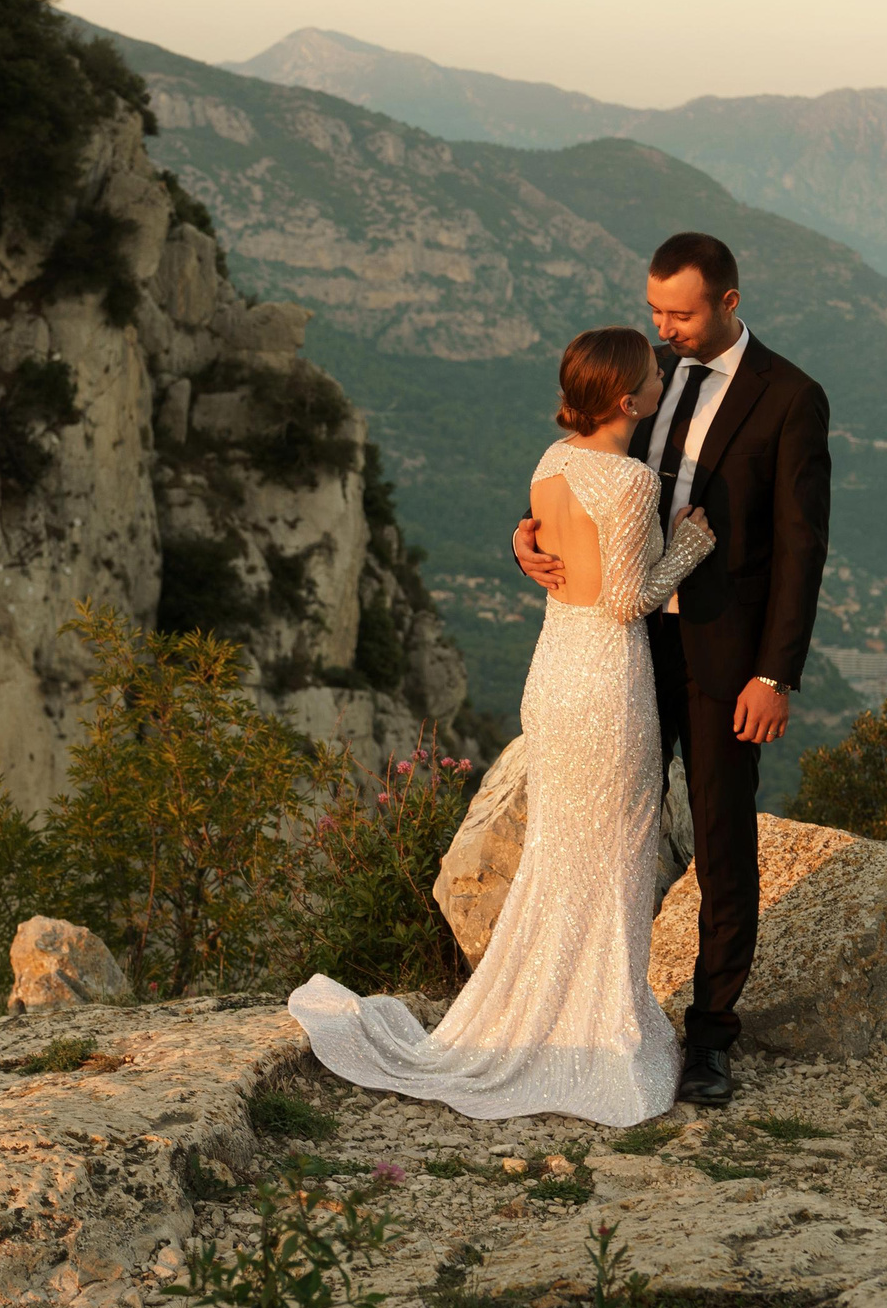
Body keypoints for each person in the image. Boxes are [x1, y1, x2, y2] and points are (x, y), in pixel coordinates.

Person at [287, 326, 716, 1126]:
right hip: (609, 684)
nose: (662, 375)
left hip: (554, 671)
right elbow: (628, 600)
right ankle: (596, 1023)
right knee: (615, 851)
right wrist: (689, 545)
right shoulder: (628, 481)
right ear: (629, 400)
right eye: (653, 374)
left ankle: (554, 1013)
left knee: (563, 849)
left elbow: (558, 552)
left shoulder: (551, 462)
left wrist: (524, 540)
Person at [511, 232, 830, 1107]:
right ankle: (595, 1009)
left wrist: (778, 674)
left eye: (680, 313)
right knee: (615, 835)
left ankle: (711, 1037)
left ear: (729, 301)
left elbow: (803, 548)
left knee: (725, 844)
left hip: (727, 659)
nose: (664, 328)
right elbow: (584, 472)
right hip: (623, 657)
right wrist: (524, 537)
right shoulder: (639, 372)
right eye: (655, 311)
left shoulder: (792, 397)